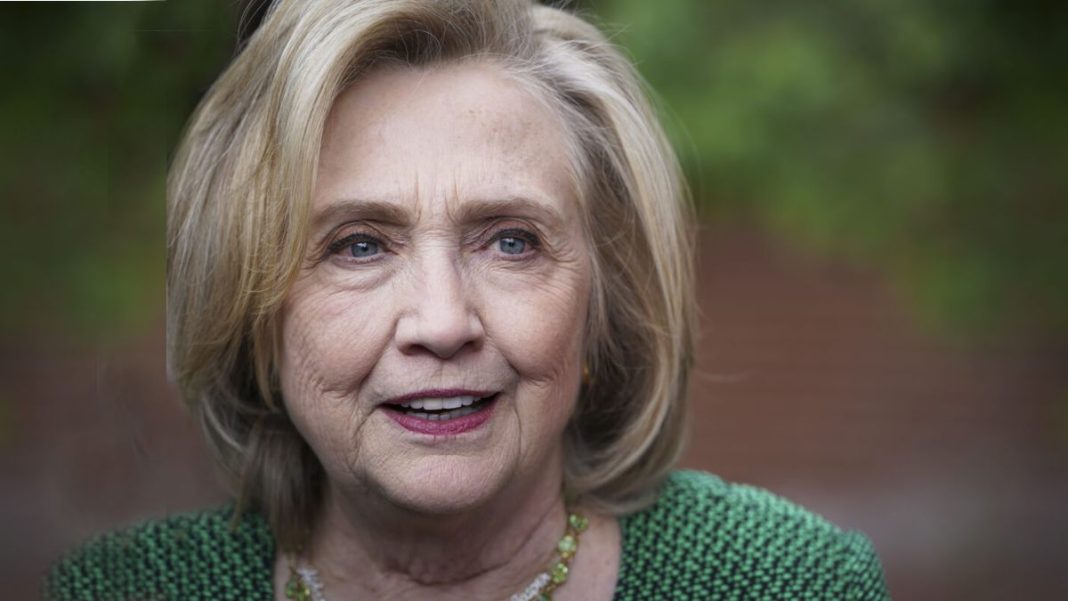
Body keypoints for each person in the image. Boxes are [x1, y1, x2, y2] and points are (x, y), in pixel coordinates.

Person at [46, 1, 890, 599]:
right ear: (253, 319)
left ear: (605, 302)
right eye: (359, 245)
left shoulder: (779, 581)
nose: (444, 322)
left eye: (511, 241)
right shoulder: (122, 588)